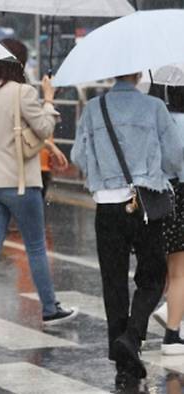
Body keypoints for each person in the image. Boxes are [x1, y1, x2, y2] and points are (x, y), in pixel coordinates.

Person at [71, 72, 182, 390]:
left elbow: (79, 155)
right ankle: (133, 336)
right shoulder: (154, 107)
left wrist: (103, 173)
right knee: (152, 278)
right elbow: (175, 157)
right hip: (146, 203)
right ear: (137, 74)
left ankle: (124, 367)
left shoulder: (94, 108)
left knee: (113, 282)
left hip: (107, 206)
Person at [0, 39, 78, 329]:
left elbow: (13, 132)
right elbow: (45, 126)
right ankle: (50, 308)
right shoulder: (23, 92)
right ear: (20, 63)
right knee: (36, 246)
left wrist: (47, 146)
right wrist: (48, 98)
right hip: (18, 181)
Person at [146, 83, 184, 355]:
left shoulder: (153, 119)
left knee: (171, 266)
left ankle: (171, 311)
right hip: (181, 192)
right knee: (179, 270)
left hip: (157, 194)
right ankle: (172, 333)